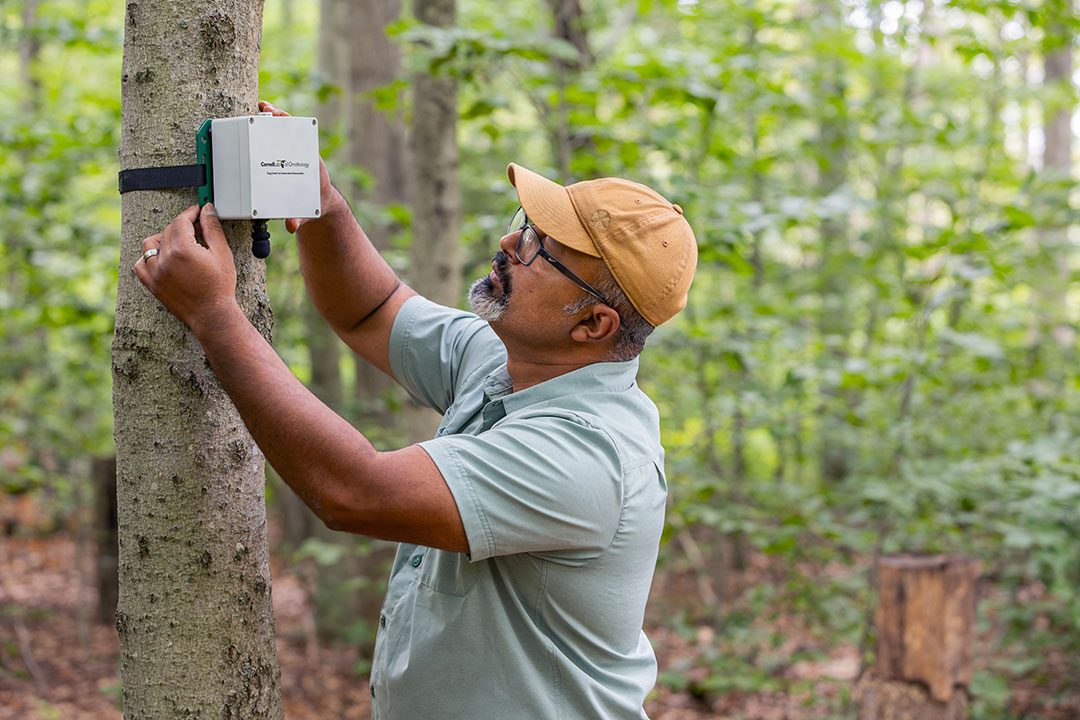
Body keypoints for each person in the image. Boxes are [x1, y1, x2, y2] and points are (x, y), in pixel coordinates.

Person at [133, 100, 697, 719]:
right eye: (524, 224)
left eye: (542, 249)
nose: (511, 241)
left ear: (593, 324)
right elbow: (370, 310)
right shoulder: (506, 360)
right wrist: (321, 202)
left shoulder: (589, 455)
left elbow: (352, 491)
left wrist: (214, 315)